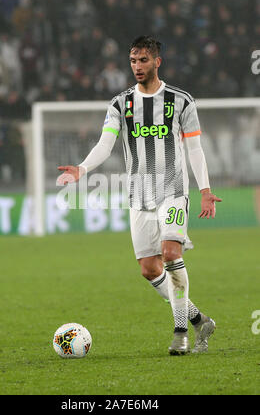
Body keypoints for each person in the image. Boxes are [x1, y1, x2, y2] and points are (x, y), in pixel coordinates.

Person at [57, 36, 222, 356]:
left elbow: (194, 147)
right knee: (149, 268)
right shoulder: (120, 104)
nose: (137, 66)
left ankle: (180, 334)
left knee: (171, 252)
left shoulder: (181, 101)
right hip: (139, 197)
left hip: (173, 192)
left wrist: (204, 190)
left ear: (157, 61)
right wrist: (82, 169)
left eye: (143, 60)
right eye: (133, 61)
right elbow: (106, 144)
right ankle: (200, 320)